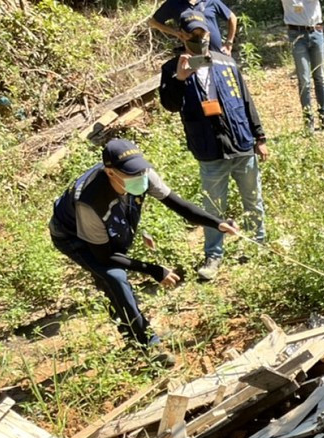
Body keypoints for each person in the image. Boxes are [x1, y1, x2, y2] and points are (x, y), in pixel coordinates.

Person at [48, 139, 237, 365]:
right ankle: (149, 345)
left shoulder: (142, 175)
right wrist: (154, 270)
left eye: (140, 169)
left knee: (111, 282)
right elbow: (105, 256)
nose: (140, 176)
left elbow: (180, 205)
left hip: (104, 231)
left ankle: (131, 332)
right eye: (131, 173)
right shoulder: (90, 202)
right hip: (72, 236)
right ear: (110, 172)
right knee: (114, 277)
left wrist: (217, 223)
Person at [158, 11, 269, 282]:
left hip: (240, 142)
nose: (199, 39)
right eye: (193, 35)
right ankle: (213, 255)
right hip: (209, 149)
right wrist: (181, 79)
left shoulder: (226, 62)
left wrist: (260, 137)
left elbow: (246, 101)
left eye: (203, 33)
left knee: (252, 198)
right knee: (212, 208)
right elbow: (170, 105)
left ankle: (258, 242)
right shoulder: (172, 68)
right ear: (183, 36)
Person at [281, 0, 324, 133]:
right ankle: (308, 120)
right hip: (296, 34)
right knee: (304, 80)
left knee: (319, 76)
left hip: (316, 31)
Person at [149, 0, 237, 57]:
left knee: (221, 79)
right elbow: (153, 22)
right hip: (193, 54)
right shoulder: (173, 3)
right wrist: (175, 33)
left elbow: (232, 17)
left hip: (216, 52)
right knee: (200, 78)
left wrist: (229, 43)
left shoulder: (211, 1)